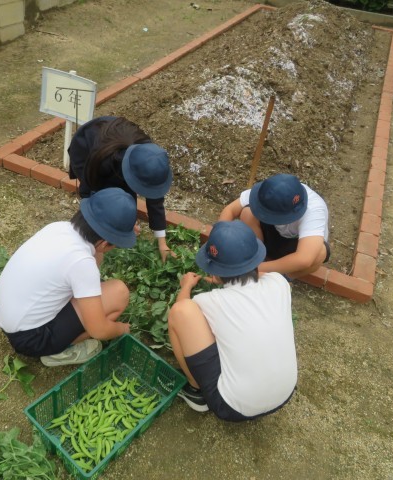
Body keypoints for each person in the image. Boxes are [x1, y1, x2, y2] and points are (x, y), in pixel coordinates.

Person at [0, 188, 137, 367]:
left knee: (94, 280)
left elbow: (94, 256)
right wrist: (122, 329)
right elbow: (99, 330)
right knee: (119, 293)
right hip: (32, 339)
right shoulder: (81, 262)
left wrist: (119, 232)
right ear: (105, 243)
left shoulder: (59, 227)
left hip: (10, 317)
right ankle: (59, 351)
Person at [168, 221, 297, 421]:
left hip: (231, 407)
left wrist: (186, 286)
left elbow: (182, 306)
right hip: (285, 393)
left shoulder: (210, 301)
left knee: (180, 312)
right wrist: (225, 276)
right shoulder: (279, 282)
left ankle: (195, 390)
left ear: (214, 272)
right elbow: (261, 276)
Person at [68, 115, 174, 262]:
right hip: (85, 149)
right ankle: (92, 244)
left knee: (124, 201)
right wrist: (108, 229)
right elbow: (91, 194)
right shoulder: (103, 163)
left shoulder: (149, 159)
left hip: (116, 150)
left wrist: (162, 243)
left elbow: (155, 198)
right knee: (108, 200)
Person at [218, 174, 329, 278]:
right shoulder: (269, 192)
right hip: (271, 236)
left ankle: (283, 278)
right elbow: (230, 210)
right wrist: (218, 244)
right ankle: (257, 257)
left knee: (319, 253)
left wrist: (253, 270)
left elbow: (304, 259)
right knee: (248, 213)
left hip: (293, 248)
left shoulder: (314, 210)